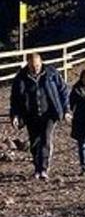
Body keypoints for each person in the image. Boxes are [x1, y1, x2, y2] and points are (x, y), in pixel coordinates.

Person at [8, 52, 70, 180]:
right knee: (35, 142)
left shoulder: (51, 73)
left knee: (46, 139)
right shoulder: (21, 77)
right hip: (30, 114)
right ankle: (37, 167)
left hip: (49, 113)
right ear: (28, 65)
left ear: (41, 62)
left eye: (37, 65)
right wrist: (15, 115)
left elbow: (63, 90)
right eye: (32, 66)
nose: (35, 68)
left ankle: (44, 168)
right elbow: (15, 99)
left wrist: (66, 110)